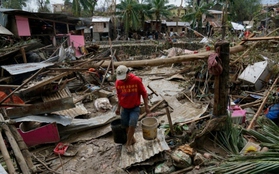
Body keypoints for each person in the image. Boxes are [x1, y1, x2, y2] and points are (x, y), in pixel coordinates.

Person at [115, 65, 151, 153]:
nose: (122, 80)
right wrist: (118, 108)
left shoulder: (136, 80)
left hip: (134, 108)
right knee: (125, 125)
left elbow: (144, 93)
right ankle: (132, 139)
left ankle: (128, 144)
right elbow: (119, 97)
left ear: (128, 73)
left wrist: (146, 106)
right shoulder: (118, 82)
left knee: (132, 124)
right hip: (124, 108)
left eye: (124, 77)